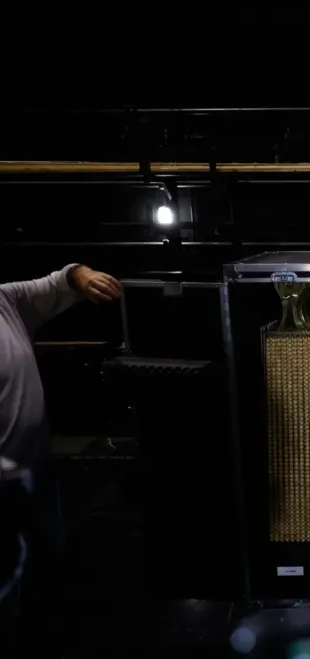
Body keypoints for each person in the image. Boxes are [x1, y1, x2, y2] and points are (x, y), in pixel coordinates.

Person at [0, 264, 122, 656]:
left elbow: (57, 281)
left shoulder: (6, 299)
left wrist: (80, 276)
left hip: (35, 472)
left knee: (44, 579)